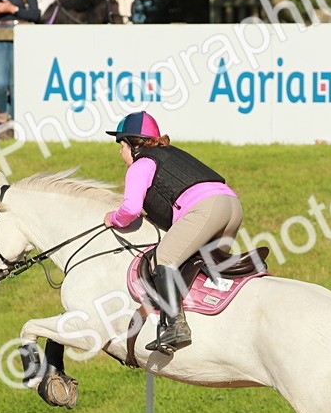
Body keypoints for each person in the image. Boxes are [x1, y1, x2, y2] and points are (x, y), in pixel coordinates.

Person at [103, 111, 244, 355]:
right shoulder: (173, 155)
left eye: (121, 145)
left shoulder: (141, 164)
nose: (120, 152)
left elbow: (131, 209)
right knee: (200, 267)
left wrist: (112, 218)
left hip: (206, 209)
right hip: (232, 206)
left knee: (163, 259)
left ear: (134, 144)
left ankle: (175, 326)